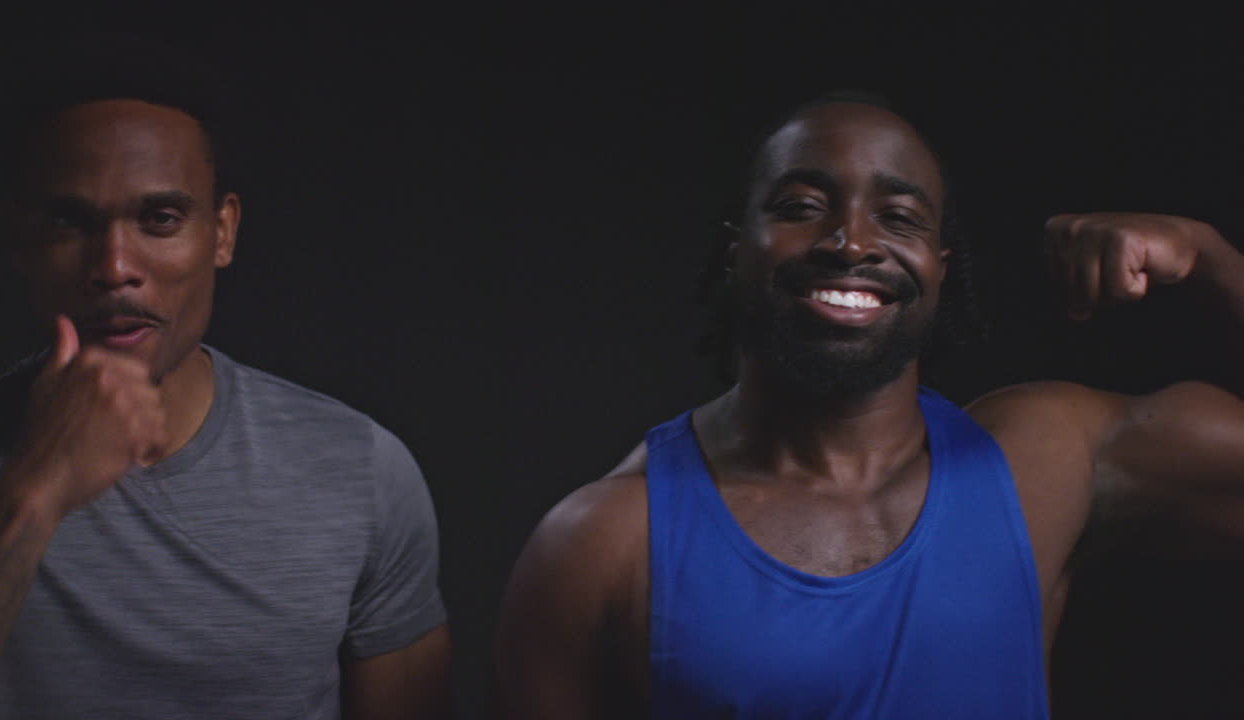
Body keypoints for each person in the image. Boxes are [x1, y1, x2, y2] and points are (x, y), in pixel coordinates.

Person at [490, 95, 1244, 718]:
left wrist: (1210, 260)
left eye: (900, 217)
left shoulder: (1043, 462)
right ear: (735, 254)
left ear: (940, 271)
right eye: (802, 206)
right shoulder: (603, 543)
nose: (852, 242)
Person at [0, 45, 451, 720]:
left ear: (221, 234)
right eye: (71, 222)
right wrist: (31, 492)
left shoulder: (357, 468)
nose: (114, 267)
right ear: (18, 239)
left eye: (159, 219)